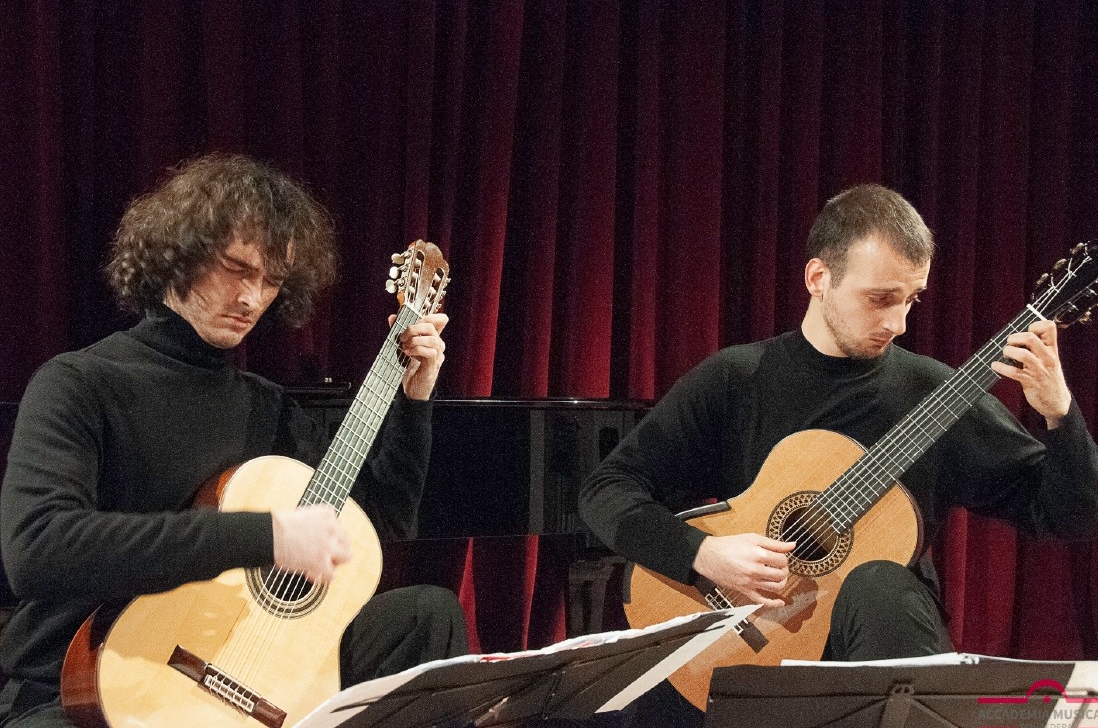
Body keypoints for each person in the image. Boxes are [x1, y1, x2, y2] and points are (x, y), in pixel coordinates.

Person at [579, 184, 1098, 724]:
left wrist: (1059, 412)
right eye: (880, 298)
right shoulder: (739, 380)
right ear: (818, 278)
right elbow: (607, 490)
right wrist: (702, 554)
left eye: (911, 299)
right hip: (752, 645)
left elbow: (1074, 514)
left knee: (878, 582)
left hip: (880, 642)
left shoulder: (936, 396)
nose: (898, 323)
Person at [0, 154, 468, 727]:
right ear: (178, 253)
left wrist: (414, 399)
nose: (252, 298)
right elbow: (37, 549)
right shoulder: (79, 383)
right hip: (78, 687)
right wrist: (264, 537)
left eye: (271, 280)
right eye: (236, 269)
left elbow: (377, 525)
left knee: (426, 614)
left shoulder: (268, 408)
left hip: (236, 669)